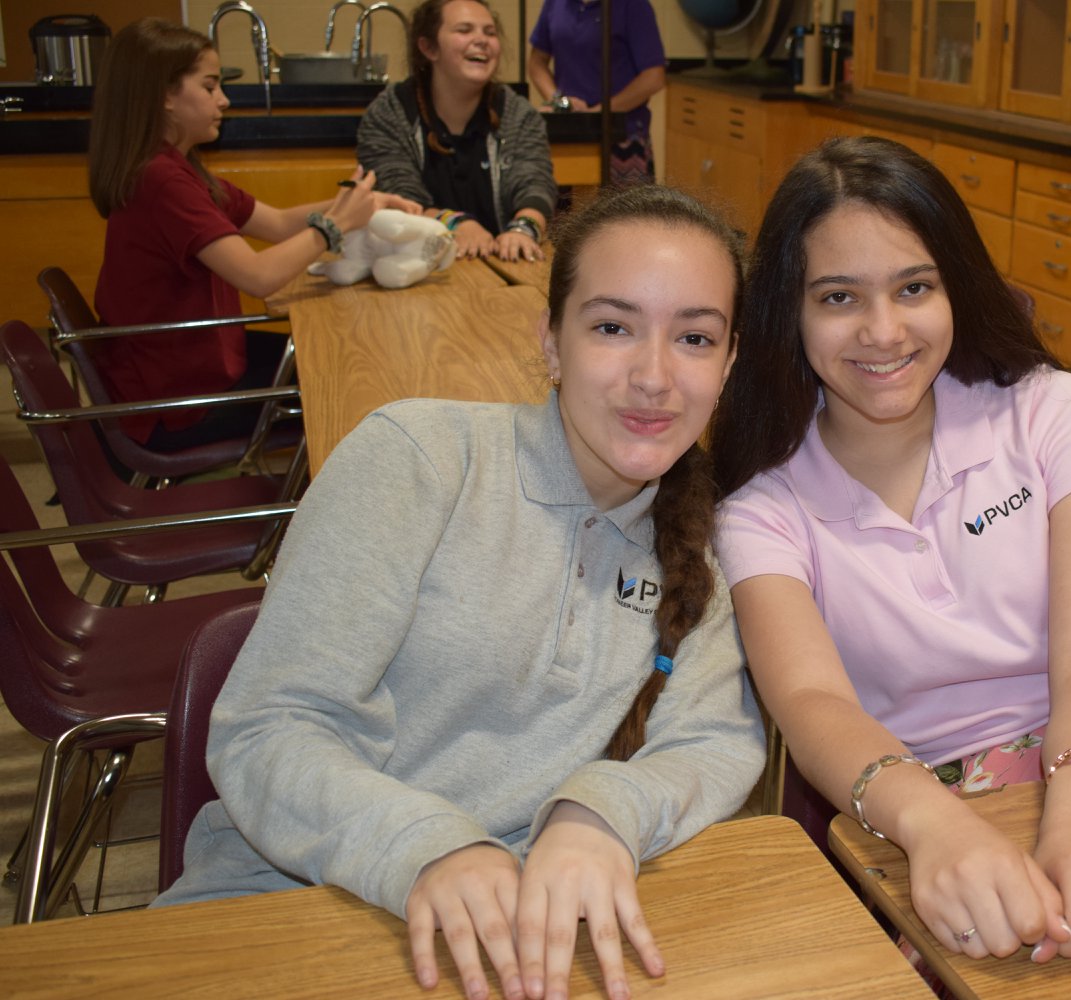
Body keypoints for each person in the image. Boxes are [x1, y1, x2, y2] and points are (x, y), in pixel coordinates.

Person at [153, 183, 764, 1000]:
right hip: (287, 903)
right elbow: (267, 728)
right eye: (612, 327)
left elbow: (713, 740)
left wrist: (600, 813)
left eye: (694, 338)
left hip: (508, 936)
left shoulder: (701, 555)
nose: (654, 376)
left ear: (728, 366)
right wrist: (428, 844)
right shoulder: (419, 459)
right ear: (551, 343)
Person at [711, 136, 1071, 970]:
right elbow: (813, 702)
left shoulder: (1055, 415)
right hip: (928, 794)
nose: (883, 331)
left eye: (914, 287)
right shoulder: (762, 504)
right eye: (839, 297)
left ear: (955, 287)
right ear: (789, 312)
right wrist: (935, 823)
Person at [88, 18, 417, 452]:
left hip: (189, 371)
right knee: (355, 384)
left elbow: (276, 223)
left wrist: (363, 205)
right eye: (210, 87)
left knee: (340, 361)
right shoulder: (162, 182)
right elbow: (258, 276)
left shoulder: (174, 170)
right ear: (164, 94)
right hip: (179, 401)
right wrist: (336, 224)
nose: (223, 100)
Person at [358, 0, 558, 263]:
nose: (481, 40)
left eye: (490, 32)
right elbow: (397, 197)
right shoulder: (390, 112)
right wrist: (455, 223)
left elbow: (535, 184)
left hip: (502, 261)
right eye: (464, 30)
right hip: (415, 263)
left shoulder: (517, 112)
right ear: (428, 48)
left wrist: (524, 229)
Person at [527, 0, 666, 186]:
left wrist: (597, 113)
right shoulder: (556, 4)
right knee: (565, 203)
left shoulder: (632, 5)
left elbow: (653, 77)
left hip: (622, 136)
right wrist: (560, 103)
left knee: (625, 203)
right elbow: (537, 62)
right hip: (569, 136)